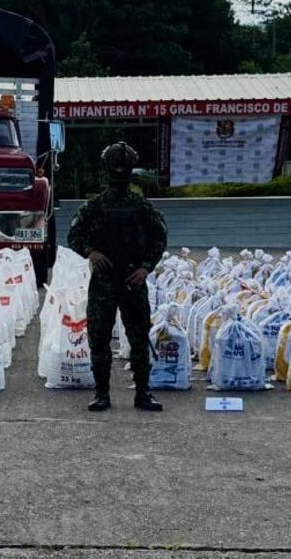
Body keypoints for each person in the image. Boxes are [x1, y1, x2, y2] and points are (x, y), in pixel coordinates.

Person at [67, 141, 168, 412]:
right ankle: (102, 393)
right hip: (104, 282)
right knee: (99, 339)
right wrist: (91, 252)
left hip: (132, 280)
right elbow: (73, 235)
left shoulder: (141, 207)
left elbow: (159, 238)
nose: (119, 173)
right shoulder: (95, 206)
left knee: (138, 338)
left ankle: (143, 393)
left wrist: (145, 267)